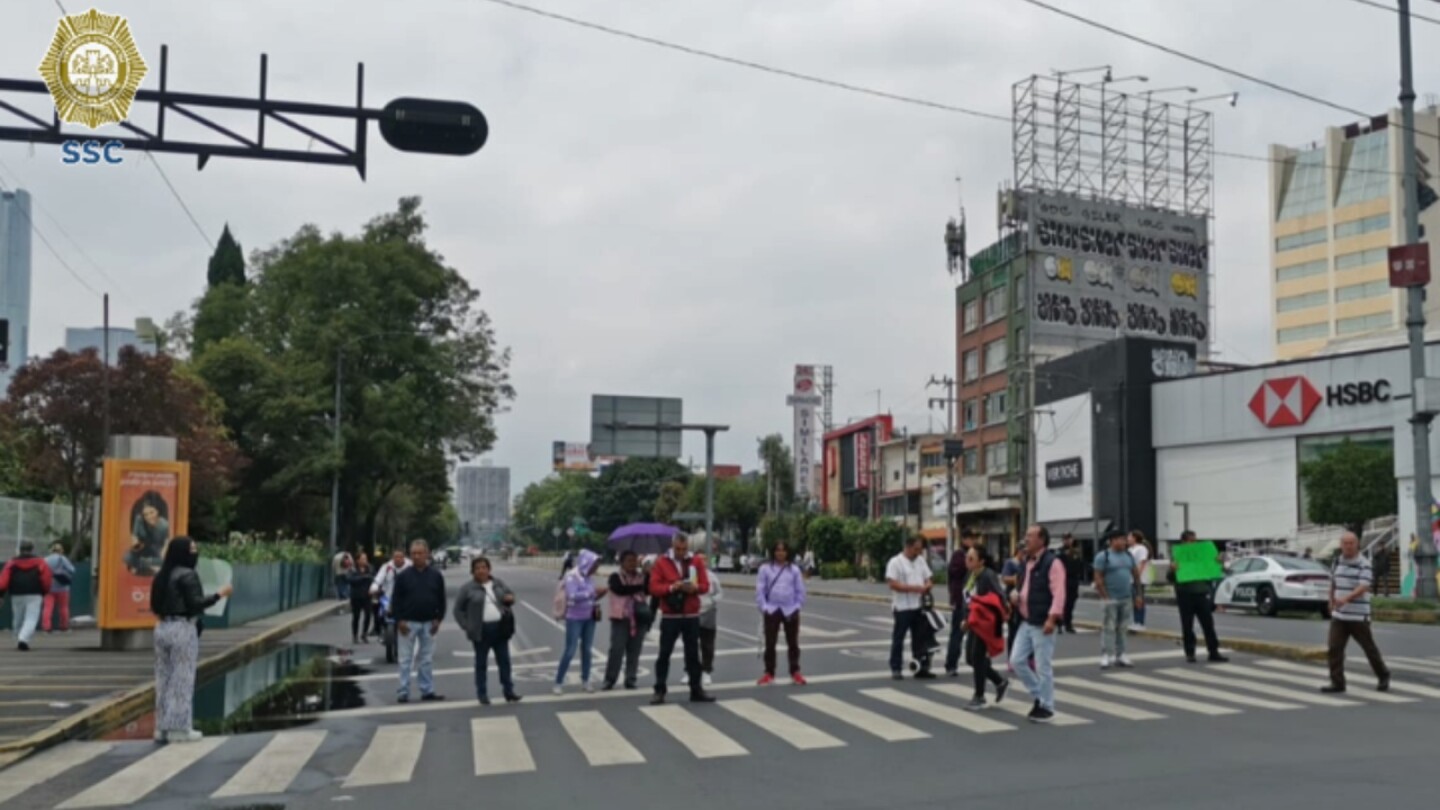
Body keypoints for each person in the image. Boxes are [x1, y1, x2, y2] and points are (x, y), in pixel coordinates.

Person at [150, 537, 234, 743]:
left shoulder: (162, 575)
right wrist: (219, 594)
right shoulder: (188, 574)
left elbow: (155, 604)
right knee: (182, 677)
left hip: (162, 628)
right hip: (183, 627)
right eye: (192, 549)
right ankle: (179, 727)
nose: (195, 553)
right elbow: (196, 604)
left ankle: (162, 726)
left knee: (164, 678)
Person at [648, 533, 716, 704]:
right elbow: (654, 588)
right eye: (678, 549)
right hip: (671, 615)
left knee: (693, 654)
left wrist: (694, 588)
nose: (681, 552)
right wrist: (672, 587)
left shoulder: (696, 561)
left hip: (691, 613)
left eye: (684, 549)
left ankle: (696, 689)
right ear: (672, 546)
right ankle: (660, 689)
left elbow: (706, 586)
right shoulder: (662, 562)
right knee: (664, 653)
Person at [1008, 525, 1065, 723]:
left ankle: (1047, 706)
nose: (1026, 539)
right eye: (1026, 536)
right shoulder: (1026, 561)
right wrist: (1016, 596)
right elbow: (1023, 586)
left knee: (1043, 666)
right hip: (1026, 619)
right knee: (1016, 660)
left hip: (1042, 621)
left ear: (1042, 540)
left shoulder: (1052, 562)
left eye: (1030, 536)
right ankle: (1039, 695)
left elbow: (1059, 593)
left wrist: (1052, 618)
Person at [1323, 531, 1391, 694]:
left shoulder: (1364, 563)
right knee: (1334, 648)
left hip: (1358, 615)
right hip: (1339, 615)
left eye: (1351, 543)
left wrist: (1347, 598)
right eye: (1345, 543)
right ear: (1341, 545)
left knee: (1368, 648)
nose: (1348, 546)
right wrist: (1331, 600)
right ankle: (1337, 682)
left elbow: (1364, 586)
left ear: (1357, 544)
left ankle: (1383, 674)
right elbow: (1333, 582)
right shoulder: (1337, 562)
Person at [453, 556, 522, 705]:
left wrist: (510, 599)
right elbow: (458, 610)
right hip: (481, 631)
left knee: (504, 661)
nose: (481, 570)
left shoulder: (498, 584)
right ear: (473, 571)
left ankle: (508, 691)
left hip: (500, 628)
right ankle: (482, 694)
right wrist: (467, 625)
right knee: (481, 663)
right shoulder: (467, 589)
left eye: (484, 567)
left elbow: (511, 596)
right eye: (477, 568)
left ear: (489, 569)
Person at [392, 539, 446, 703]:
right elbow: (396, 600)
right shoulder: (403, 576)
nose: (416, 556)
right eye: (413, 553)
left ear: (427, 554)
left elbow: (441, 599)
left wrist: (438, 618)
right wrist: (399, 620)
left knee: (426, 659)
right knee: (405, 660)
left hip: (429, 623)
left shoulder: (436, 575)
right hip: (408, 623)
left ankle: (427, 690)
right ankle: (403, 691)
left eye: (420, 553)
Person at [960, 546, 1010, 711]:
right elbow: (968, 599)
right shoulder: (971, 575)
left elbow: (999, 596)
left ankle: (979, 696)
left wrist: (1004, 614)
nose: (967, 561)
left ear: (981, 561)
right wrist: (965, 619)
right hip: (973, 622)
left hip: (984, 623)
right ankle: (999, 681)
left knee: (977, 657)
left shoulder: (988, 575)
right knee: (971, 658)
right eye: (967, 557)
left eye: (971, 558)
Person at [555, 549, 607, 694]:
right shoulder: (572, 576)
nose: (596, 568)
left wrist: (598, 595)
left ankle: (586, 680)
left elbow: (589, 596)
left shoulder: (589, 577)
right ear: (586, 563)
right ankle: (558, 682)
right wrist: (591, 592)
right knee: (570, 651)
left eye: (597, 565)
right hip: (574, 618)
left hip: (589, 617)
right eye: (594, 565)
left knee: (587, 650)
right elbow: (572, 595)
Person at [1172, 530, 1228, 664]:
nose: (1194, 543)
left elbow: (1214, 572)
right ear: (1184, 541)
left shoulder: (1203, 556)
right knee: (1187, 625)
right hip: (1185, 595)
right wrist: (1173, 570)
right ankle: (1190, 653)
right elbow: (1171, 577)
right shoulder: (1178, 556)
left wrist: (1218, 563)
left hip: (1201, 594)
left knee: (1208, 624)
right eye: (1191, 541)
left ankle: (1213, 651)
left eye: (1195, 541)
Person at [756, 541, 807, 685]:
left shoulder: (794, 570)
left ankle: (795, 671)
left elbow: (800, 590)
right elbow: (760, 590)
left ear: (787, 553)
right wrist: (764, 607)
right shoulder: (765, 569)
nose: (780, 553)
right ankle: (769, 672)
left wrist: (797, 606)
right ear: (773, 552)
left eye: (783, 550)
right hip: (772, 609)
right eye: (778, 550)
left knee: (793, 643)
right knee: (770, 643)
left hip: (790, 609)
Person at [886, 534, 937, 680]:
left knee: (920, 639)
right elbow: (892, 584)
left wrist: (927, 585)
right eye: (916, 549)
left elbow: (928, 578)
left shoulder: (920, 561)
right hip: (902, 607)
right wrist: (913, 588)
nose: (918, 552)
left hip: (918, 606)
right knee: (899, 638)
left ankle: (921, 667)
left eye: (920, 549)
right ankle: (896, 668)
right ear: (908, 547)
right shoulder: (895, 562)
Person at [1093, 529, 1141, 669]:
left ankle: (1121, 654)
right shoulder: (1103, 556)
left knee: (1122, 627)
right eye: (1120, 539)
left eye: (1124, 539)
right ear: (1112, 541)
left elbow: (1136, 575)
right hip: (1110, 597)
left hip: (1126, 597)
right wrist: (1105, 597)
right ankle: (1106, 654)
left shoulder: (1128, 556)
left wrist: (1138, 595)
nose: (1123, 542)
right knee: (1109, 627)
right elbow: (1098, 577)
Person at [603, 551, 650, 691]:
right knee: (616, 650)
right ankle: (610, 679)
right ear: (622, 562)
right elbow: (620, 589)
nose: (632, 563)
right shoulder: (615, 577)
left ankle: (630, 679)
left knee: (634, 650)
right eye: (629, 560)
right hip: (620, 618)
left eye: (635, 560)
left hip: (639, 617)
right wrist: (638, 588)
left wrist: (648, 574)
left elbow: (648, 589)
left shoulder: (641, 576)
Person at [0, 540, 52, 651]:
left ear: (20, 550)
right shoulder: (40, 562)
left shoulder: (12, 563)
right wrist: (45, 591)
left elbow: (3, 580)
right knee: (31, 618)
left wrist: (1, 594)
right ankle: (23, 639)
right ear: (32, 549)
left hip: (16, 593)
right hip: (35, 593)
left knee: (18, 617)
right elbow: (46, 579)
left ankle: (18, 635)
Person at [944, 532, 977, 676]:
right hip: (960, 600)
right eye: (971, 538)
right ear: (964, 539)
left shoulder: (974, 554)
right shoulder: (959, 555)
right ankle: (951, 664)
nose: (973, 541)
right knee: (957, 633)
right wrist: (969, 562)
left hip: (973, 599)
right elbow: (954, 575)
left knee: (975, 633)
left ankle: (977, 661)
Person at [127, 495, 170, 576]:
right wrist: (137, 549)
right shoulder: (139, 520)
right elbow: (134, 537)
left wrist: (161, 555)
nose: (149, 517)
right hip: (141, 551)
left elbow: (166, 543)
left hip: (156, 553)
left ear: (157, 511)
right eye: (146, 514)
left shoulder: (164, 525)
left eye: (151, 512)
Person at [698, 558, 723, 687]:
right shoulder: (690, 574)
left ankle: (706, 671)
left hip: (708, 612)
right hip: (692, 612)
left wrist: (712, 601)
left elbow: (720, 593)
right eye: (699, 559)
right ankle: (689, 671)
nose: (702, 562)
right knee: (690, 644)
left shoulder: (712, 576)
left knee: (707, 644)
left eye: (704, 560)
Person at [43, 542, 75, 633]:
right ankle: (64, 626)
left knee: (47, 607)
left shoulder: (45, 559)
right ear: (60, 550)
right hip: (62, 587)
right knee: (63, 607)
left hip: (48, 587)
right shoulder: (63, 559)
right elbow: (72, 570)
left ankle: (47, 627)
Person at [999, 545, 1024, 658]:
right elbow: (1004, 578)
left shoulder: (1027, 563)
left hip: (1025, 599)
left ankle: (1026, 657)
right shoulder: (1010, 563)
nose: (1024, 554)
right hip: (1012, 599)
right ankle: (1012, 657)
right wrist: (1015, 579)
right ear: (1018, 552)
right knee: (1013, 630)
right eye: (1022, 552)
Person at [346, 554, 376, 645]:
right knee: (356, 616)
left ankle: (364, 634)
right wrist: (363, 577)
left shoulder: (370, 568)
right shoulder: (353, 569)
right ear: (358, 560)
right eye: (362, 559)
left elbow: (374, 578)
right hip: (356, 596)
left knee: (368, 615)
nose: (364, 560)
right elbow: (350, 579)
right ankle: (355, 635)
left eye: (365, 559)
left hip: (367, 596)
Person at [1127, 531, 1152, 631]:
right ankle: (1136, 621)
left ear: (1135, 538)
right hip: (1131, 578)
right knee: (1134, 601)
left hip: (1139, 579)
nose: (1127, 539)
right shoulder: (1130, 549)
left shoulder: (1141, 549)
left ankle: (1140, 623)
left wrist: (1137, 577)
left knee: (1139, 600)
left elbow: (1142, 563)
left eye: (1129, 536)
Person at [1060, 534, 1084, 634]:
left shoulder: (1076, 552)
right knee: (1062, 603)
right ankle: (1059, 624)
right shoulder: (1060, 552)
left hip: (1074, 580)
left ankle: (1068, 624)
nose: (1068, 541)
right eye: (1065, 539)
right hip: (1063, 580)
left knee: (1070, 603)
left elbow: (1080, 565)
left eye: (1069, 539)